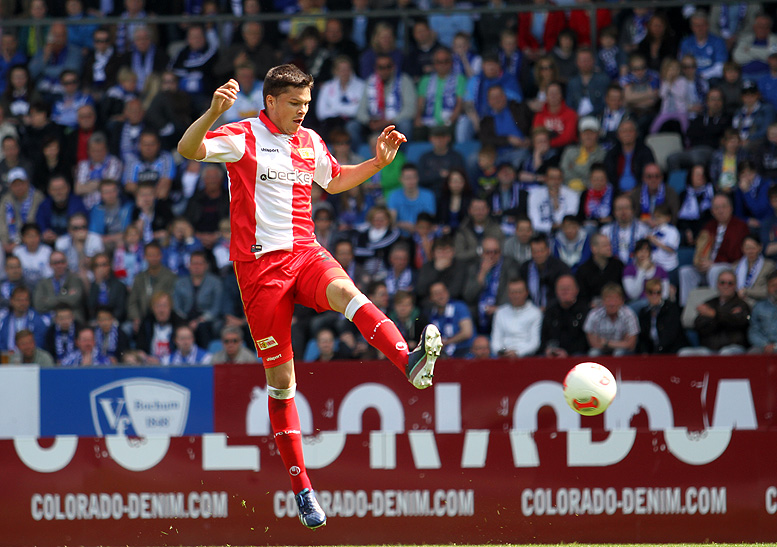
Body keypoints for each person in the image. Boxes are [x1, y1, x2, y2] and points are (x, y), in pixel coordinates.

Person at [176, 64, 442, 529]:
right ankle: (302, 489)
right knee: (282, 384)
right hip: (260, 272)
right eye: (294, 104)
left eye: (306, 103)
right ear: (271, 101)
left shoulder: (310, 141)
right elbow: (188, 149)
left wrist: (377, 164)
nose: (302, 111)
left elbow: (334, 180)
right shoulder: (243, 135)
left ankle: (409, 361)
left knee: (346, 291)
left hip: (305, 252)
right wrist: (214, 113)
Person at [680, 270, 750, 355]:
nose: (726, 286)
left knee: (725, 353)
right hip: (709, 349)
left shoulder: (741, 304)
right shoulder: (709, 303)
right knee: (684, 353)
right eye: (722, 283)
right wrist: (723, 317)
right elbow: (699, 325)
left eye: (730, 283)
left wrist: (714, 315)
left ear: (735, 285)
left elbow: (739, 321)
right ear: (717, 284)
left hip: (733, 347)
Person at [583, 283, 640, 357]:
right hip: (601, 350)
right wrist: (622, 343)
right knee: (593, 353)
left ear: (622, 301)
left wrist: (607, 343)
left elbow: (631, 345)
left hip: (622, 351)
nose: (612, 303)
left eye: (615, 299)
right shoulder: (594, 315)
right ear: (603, 301)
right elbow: (594, 344)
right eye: (608, 299)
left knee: (618, 353)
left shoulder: (629, 315)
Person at [489, 278, 542, 358]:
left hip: (526, 358)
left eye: (519, 292)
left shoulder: (535, 313)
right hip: (504, 357)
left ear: (526, 293)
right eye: (513, 292)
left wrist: (518, 353)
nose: (516, 296)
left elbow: (534, 343)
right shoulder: (500, 312)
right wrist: (504, 351)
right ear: (508, 294)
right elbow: (496, 340)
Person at [747, 270, 777, 354]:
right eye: (773, 285)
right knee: (752, 353)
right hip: (762, 346)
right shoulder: (758, 307)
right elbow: (753, 331)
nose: (776, 289)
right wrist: (764, 344)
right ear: (767, 288)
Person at [637, 277, 687, 354]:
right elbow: (643, 337)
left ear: (661, 293)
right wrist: (645, 353)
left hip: (672, 351)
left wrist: (656, 353)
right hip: (653, 352)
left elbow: (670, 336)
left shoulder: (671, 308)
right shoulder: (644, 312)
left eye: (658, 292)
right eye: (651, 292)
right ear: (646, 293)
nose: (654, 295)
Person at [575, 233, 625, 306]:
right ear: (594, 249)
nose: (609, 248)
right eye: (605, 245)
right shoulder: (583, 270)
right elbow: (582, 296)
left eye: (609, 245)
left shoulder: (618, 265)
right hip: (592, 308)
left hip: (616, 305)